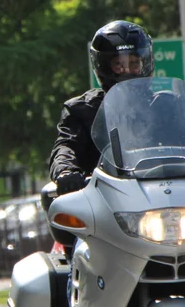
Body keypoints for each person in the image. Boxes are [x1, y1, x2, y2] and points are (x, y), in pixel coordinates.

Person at [48, 20, 156, 192]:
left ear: (145, 62)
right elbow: (66, 147)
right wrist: (65, 170)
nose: (127, 70)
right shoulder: (82, 110)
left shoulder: (164, 106)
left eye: (134, 63)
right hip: (102, 199)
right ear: (104, 67)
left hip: (162, 194)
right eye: (119, 64)